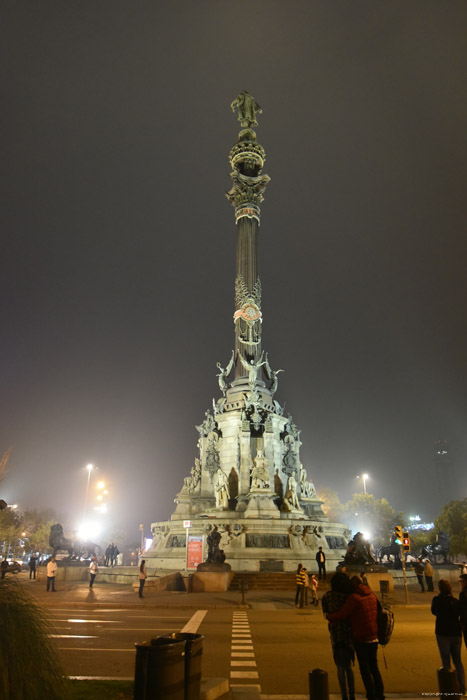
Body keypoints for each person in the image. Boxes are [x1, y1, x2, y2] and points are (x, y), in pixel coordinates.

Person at [326, 575, 385, 700]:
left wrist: (329, 617)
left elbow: (341, 614)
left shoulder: (354, 598)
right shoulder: (371, 595)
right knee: (374, 667)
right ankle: (380, 694)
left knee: (364, 669)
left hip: (361, 638)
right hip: (374, 636)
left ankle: (371, 694)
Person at [322, 573, 355, 700]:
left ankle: (344, 695)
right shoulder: (348, 596)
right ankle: (352, 695)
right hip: (348, 633)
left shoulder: (328, 596)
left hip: (336, 634)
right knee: (348, 667)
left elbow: (325, 614)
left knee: (340, 667)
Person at [431, 579, 465, 694]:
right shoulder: (455, 601)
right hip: (456, 634)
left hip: (443, 633)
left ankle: (449, 688)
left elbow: (434, 611)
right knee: (458, 661)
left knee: (446, 661)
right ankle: (461, 686)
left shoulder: (437, 600)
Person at [459, 574, 467, 651]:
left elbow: (463, 610)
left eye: (462, 581)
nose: (460, 583)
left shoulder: (463, 593)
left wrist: (462, 623)